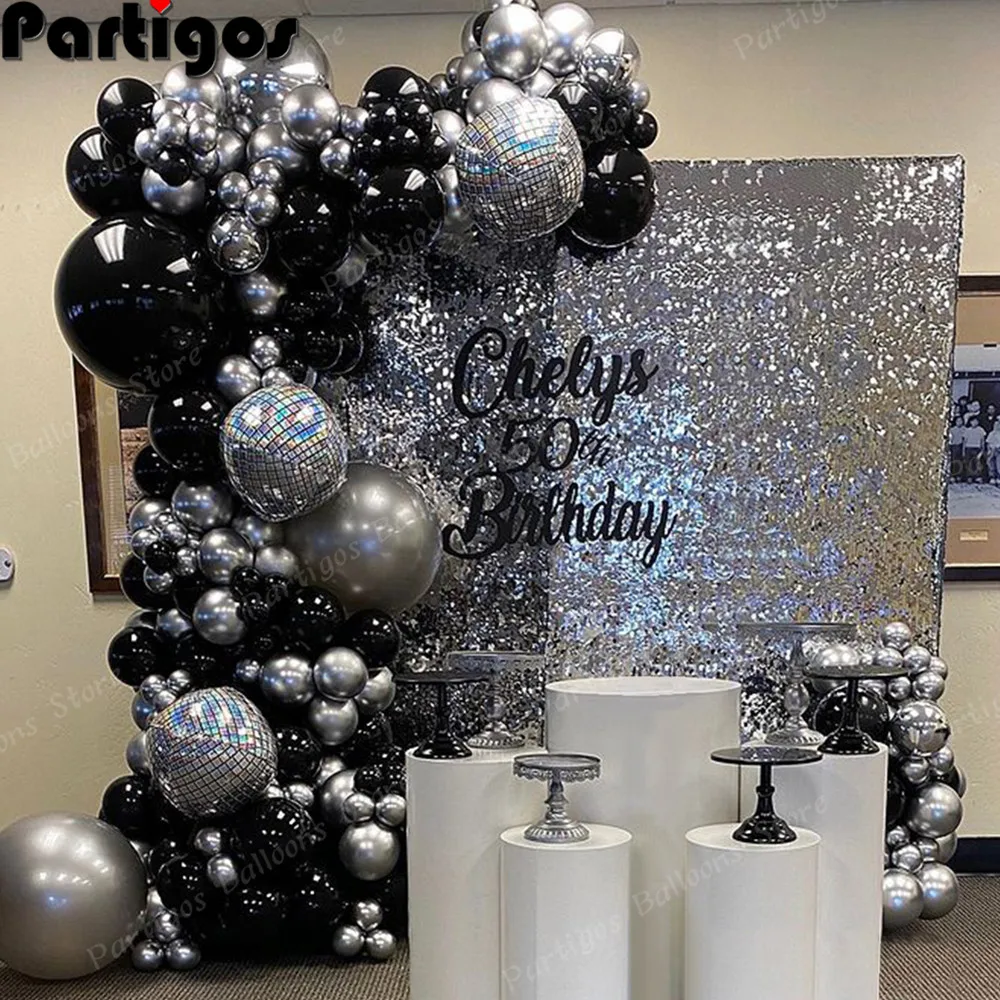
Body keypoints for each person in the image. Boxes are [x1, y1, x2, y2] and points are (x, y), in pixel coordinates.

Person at [964, 417, 987, 483]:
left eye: (976, 421)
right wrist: (963, 450)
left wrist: (982, 449)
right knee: (969, 463)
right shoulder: (967, 430)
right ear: (970, 422)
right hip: (968, 447)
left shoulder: (981, 430)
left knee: (977, 462)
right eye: (973, 421)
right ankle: (969, 477)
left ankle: (978, 477)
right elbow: (964, 441)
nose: (974, 423)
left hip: (977, 447)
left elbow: (982, 440)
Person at [950, 416, 966, 482]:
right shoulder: (952, 429)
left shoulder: (964, 429)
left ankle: (959, 475)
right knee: (954, 460)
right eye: (958, 421)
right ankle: (953, 475)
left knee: (960, 461)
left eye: (960, 421)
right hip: (954, 446)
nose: (959, 422)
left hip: (961, 445)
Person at [987, 421, 1000, 485]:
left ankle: (998, 477)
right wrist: (989, 450)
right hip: (992, 449)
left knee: (998, 464)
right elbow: (988, 442)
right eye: (995, 425)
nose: (996, 426)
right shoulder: (991, 433)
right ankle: (992, 477)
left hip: (998, 450)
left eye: (998, 425)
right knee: (991, 463)